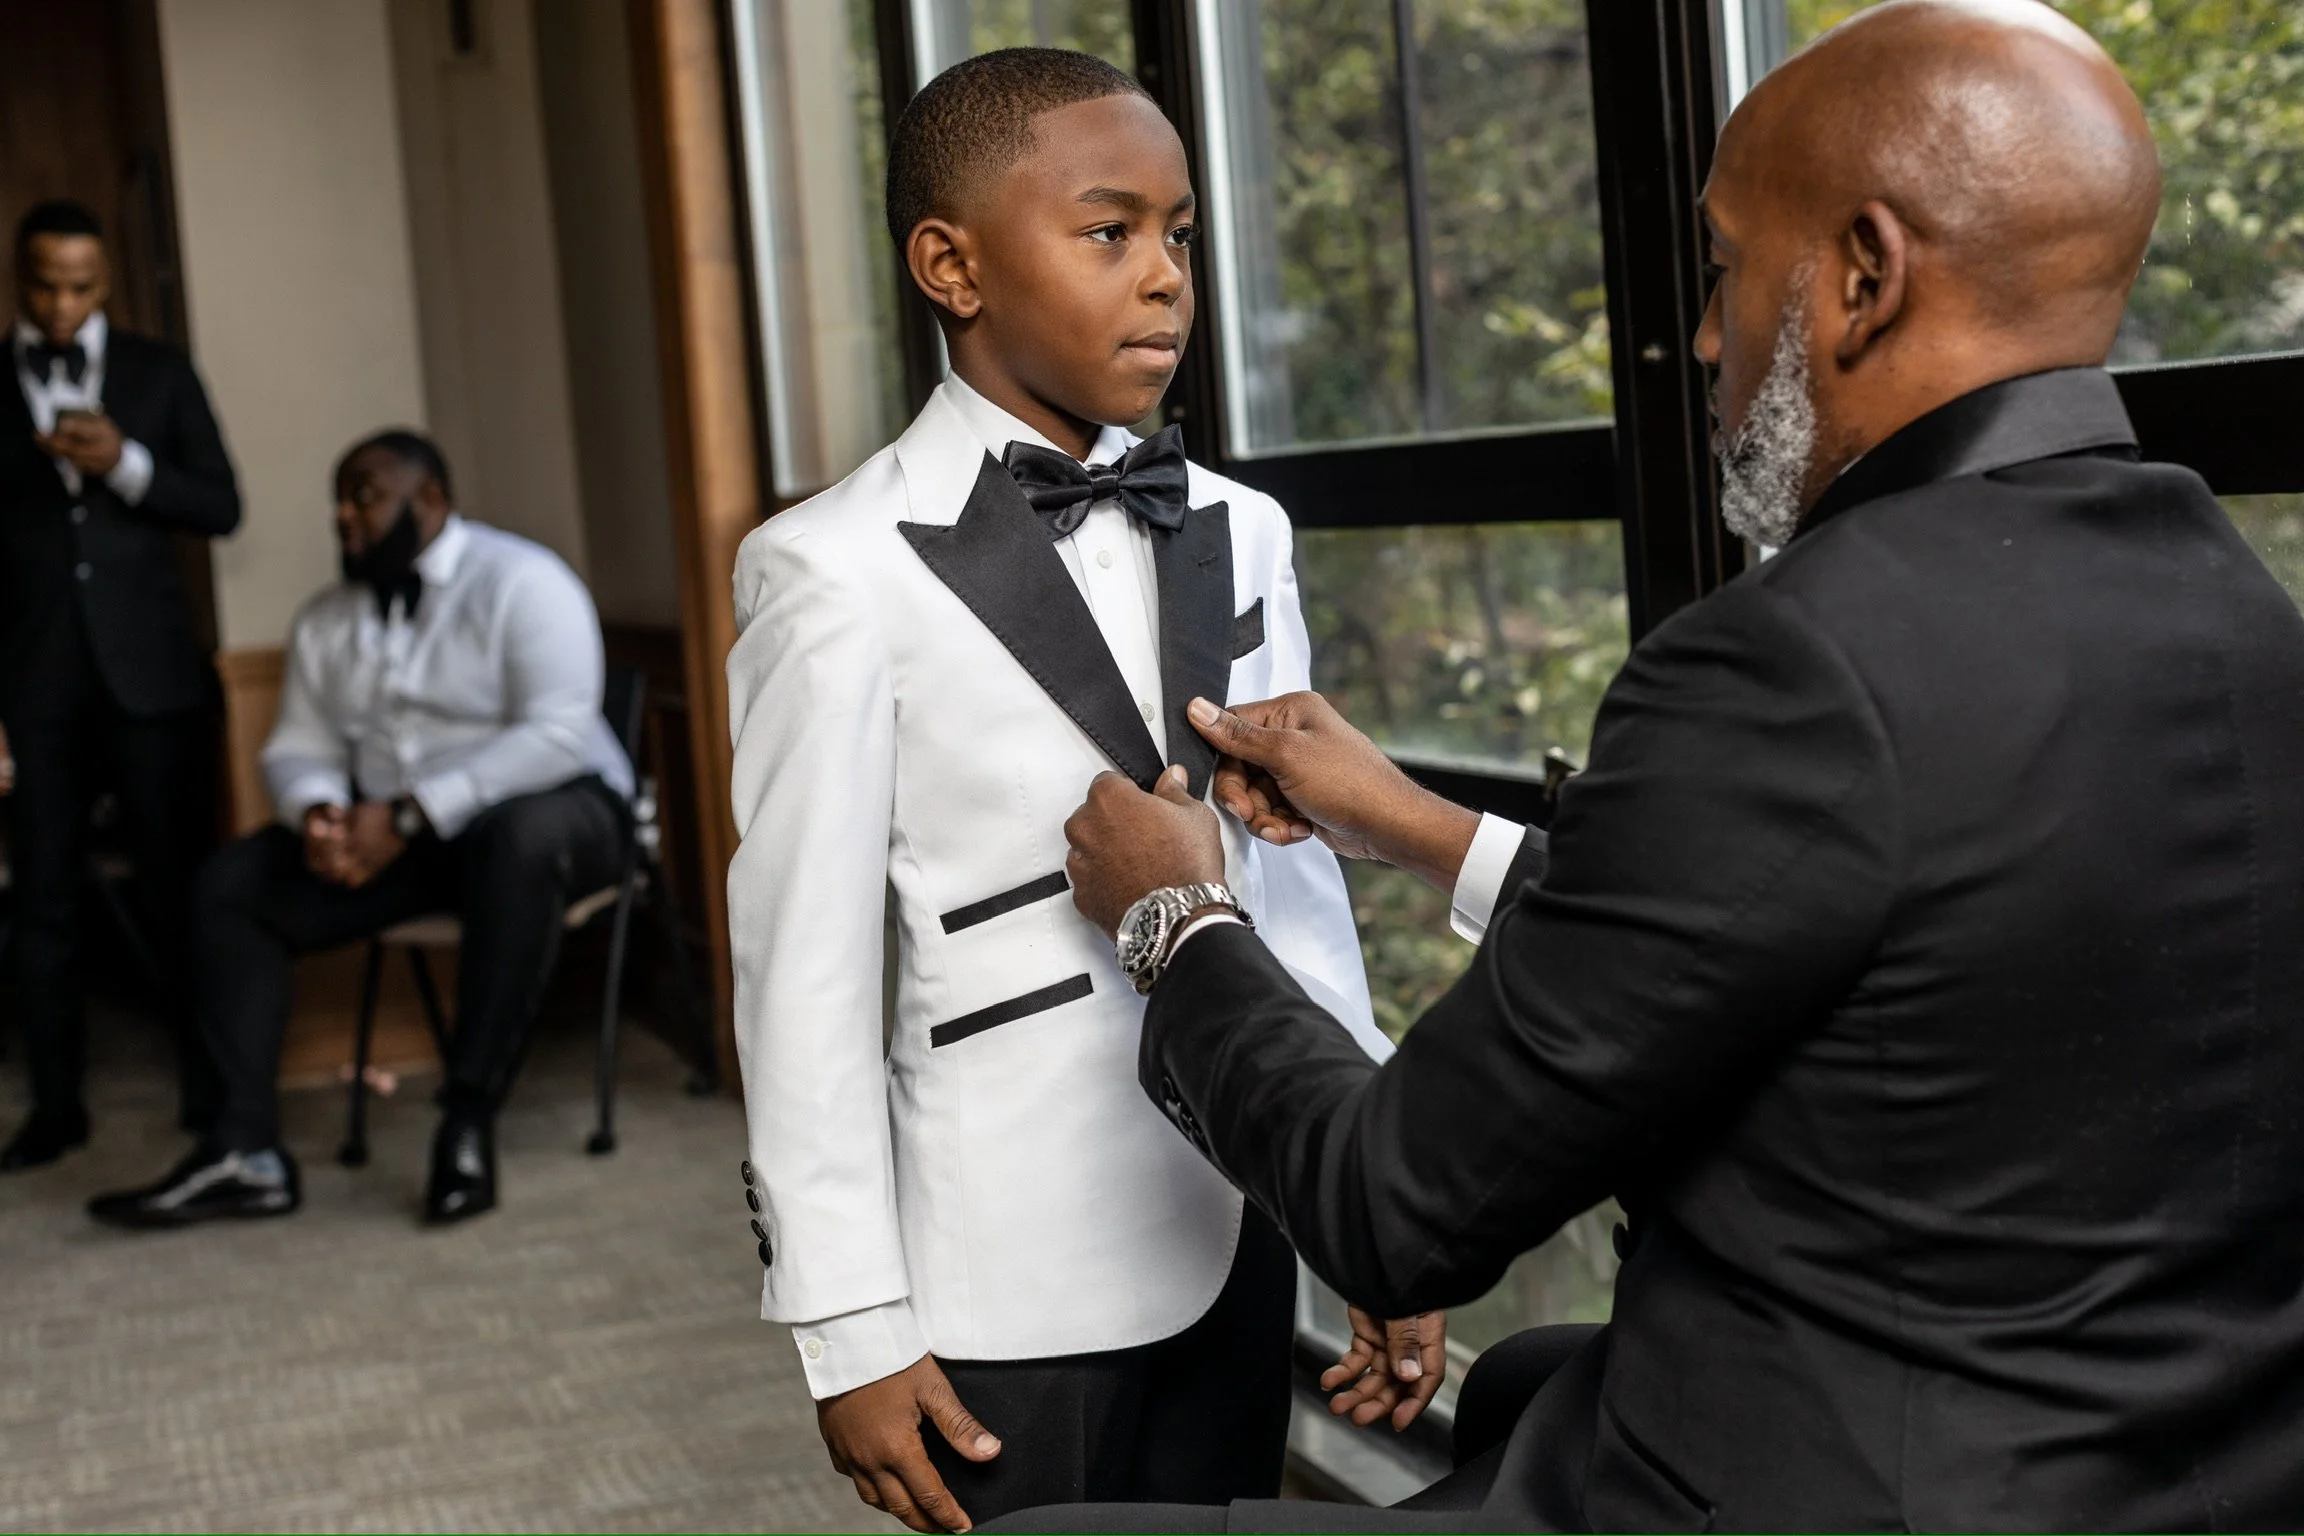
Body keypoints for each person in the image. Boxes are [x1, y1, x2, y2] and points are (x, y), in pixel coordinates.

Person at [1043, 2, 2304, 1530]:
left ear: (1860, 275)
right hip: (2174, 1458)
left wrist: (1181, 924)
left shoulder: (1799, 662)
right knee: (1531, 1384)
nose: (1704, 334)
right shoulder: (2245, 616)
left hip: (1843, 1481)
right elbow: (1863, 931)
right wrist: (1432, 831)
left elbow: (1394, 1208)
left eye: (1720, 266)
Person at [724, 48, 1440, 1536]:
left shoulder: (1242, 526)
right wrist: (848, 1325)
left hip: (1236, 1203)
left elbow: (1291, 884)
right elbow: (798, 979)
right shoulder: (832, 568)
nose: (1168, 277)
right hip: (1006, 1263)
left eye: (1180, 233)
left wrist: (1371, 1212)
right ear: (951, 265)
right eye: (1110, 232)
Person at [86, 429, 633, 1228]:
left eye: (365, 496)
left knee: (519, 842)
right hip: (399, 838)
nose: (344, 516)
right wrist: (318, 814)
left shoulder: (525, 581)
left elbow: (554, 735)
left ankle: (467, 1120)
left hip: (562, 814)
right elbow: (298, 745)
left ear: (433, 500)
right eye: (339, 500)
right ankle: (245, 1151)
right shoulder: (325, 620)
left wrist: (410, 813)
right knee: (231, 887)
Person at [0, 199, 241, 1171]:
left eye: (81, 286)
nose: (62, 306)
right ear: (20, 280)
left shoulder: (159, 372)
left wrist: (130, 466)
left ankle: (210, 1088)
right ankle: (56, 1108)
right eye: (44, 285)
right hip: (32, 688)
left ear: (109, 284)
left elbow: (223, 505)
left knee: (180, 891)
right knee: (43, 900)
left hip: (152, 681)